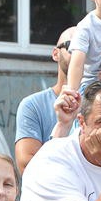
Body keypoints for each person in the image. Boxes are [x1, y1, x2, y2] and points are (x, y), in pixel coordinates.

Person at [15, 26, 76, 171]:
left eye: (87, 49)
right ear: (56, 54)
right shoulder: (32, 105)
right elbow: (26, 165)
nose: (80, 54)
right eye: (72, 47)